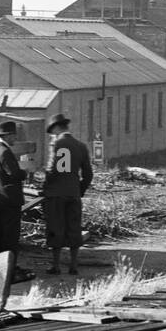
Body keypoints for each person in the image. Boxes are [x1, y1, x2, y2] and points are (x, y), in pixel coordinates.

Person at [43, 113, 93, 276]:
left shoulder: (57, 144)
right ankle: (73, 266)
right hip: (73, 193)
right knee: (74, 228)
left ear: (57, 128)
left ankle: (56, 266)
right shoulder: (81, 146)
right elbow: (88, 174)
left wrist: (46, 186)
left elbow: (53, 169)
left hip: (56, 194)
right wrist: (80, 190)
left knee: (56, 227)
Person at [0, 121, 25, 319]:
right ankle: (10, 269)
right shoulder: (6, 153)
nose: (15, 139)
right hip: (10, 201)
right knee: (10, 236)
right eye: (13, 136)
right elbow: (14, 174)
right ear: (8, 135)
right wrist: (25, 171)